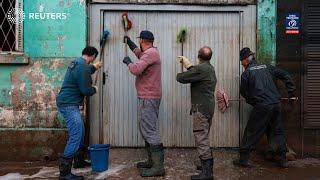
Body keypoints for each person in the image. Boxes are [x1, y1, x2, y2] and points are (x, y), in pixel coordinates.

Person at [233, 47, 295, 168]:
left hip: (262, 105)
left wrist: (253, 101)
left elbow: (244, 92)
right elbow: (286, 75)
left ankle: (243, 159)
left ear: (246, 60)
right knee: (278, 131)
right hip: (276, 104)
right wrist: (291, 92)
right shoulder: (268, 67)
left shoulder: (246, 73)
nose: (242, 65)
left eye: (242, 63)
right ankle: (283, 160)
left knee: (251, 131)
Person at [123, 30, 164, 177]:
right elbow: (140, 55)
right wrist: (129, 43)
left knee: (149, 130)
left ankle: (158, 167)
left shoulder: (150, 54)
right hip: (148, 96)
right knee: (146, 129)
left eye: (138, 41)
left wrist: (128, 62)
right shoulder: (150, 52)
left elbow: (136, 69)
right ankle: (152, 161)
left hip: (149, 97)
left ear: (142, 40)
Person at [56, 46, 102, 179]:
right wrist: (94, 89)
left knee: (80, 130)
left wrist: (94, 67)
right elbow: (85, 90)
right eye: (94, 58)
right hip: (69, 105)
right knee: (76, 134)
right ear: (92, 55)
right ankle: (64, 173)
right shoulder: (82, 67)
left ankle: (79, 161)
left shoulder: (78, 62)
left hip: (68, 103)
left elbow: (85, 70)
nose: (94, 60)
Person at [176, 46, 217, 180]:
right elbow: (197, 74)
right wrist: (190, 66)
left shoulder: (201, 69)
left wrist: (184, 69)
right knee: (204, 136)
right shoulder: (209, 68)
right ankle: (206, 166)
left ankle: (207, 174)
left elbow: (181, 78)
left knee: (201, 138)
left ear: (199, 56)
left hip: (201, 110)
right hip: (208, 108)